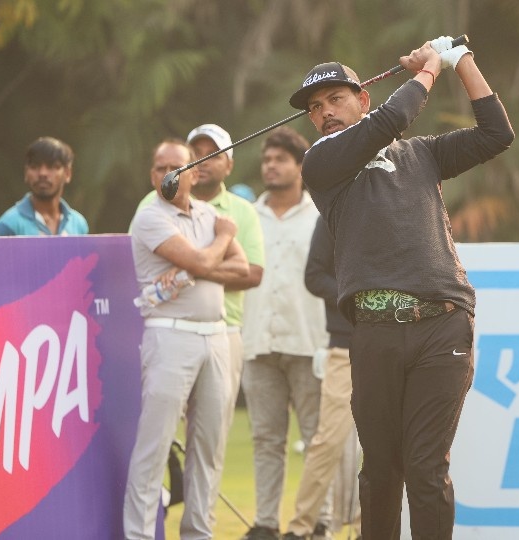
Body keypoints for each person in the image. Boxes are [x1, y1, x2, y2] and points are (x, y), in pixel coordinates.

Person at [290, 37, 515, 539]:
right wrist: (429, 69)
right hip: (375, 332)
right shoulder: (321, 164)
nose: (325, 113)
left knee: (426, 467)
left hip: (443, 325)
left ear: (362, 98)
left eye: (335, 99)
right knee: (380, 472)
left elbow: (496, 133)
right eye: (315, 108)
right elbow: (390, 120)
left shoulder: (422, 154)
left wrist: (459, 61)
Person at [124, 138, 249, 540]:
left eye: (176, 167)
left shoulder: (209, 215)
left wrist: (192, 269)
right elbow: (202, 259)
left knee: (208, 450)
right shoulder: (150, 216)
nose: (168, 174)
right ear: (152, 176)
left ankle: (198, 534)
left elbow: (243, 270)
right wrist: (220, 242)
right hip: (169, 335)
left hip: (216, 336)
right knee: (155, 446)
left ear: (194, 173)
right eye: (160, 168)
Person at [135, 124, 266, 432]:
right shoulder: (151, 205)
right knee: (160, 429)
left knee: (212, 433)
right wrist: (214, 250)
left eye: (214, 155)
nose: (204, 161)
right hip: (168, 328)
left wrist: (188, 271)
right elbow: (142, 265)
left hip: (225, 328)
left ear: (229, 165)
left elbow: (250, 272)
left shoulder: (240, 211)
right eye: (197, 154)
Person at [240, 127, 329, 540]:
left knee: (317, 439)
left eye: (280, 159)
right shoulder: (245, 218)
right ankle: (264, 524)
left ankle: (319, 521)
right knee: (265, 439)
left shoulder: (322, 215)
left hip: (310, 342)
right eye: (266, 160)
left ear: (300, 166)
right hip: (258, 341)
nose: (270, 166)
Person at [282, 215, 361, 540]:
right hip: (344, 345)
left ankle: (368, 528)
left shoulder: (397, 208)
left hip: (390, 342)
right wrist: (358, 298)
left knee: (384, 444)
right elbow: (314, 276)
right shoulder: (333, 215)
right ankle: (300, 528)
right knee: (328, 440)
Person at [0, 136, 89, 236]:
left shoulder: (78, 224)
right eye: (34, 167)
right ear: (26, 173)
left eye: (52, 167)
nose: (42, 173)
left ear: (67, 174)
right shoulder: (9, 225)